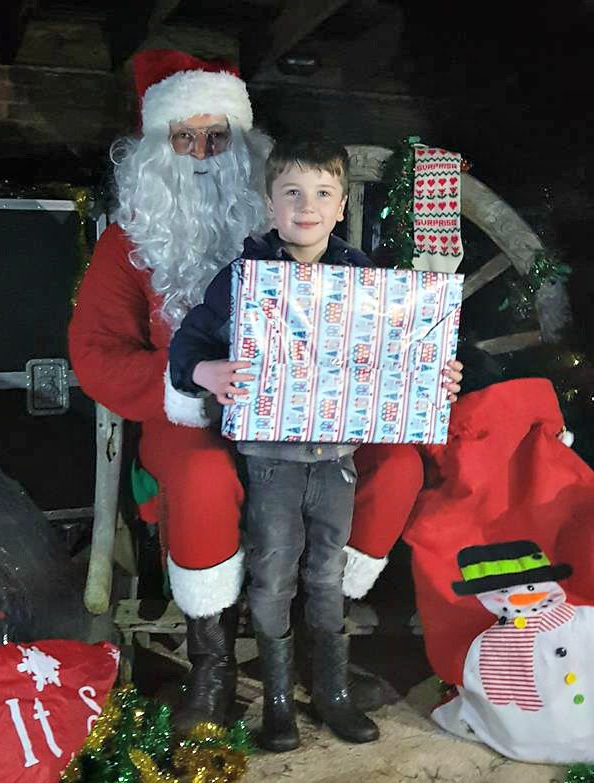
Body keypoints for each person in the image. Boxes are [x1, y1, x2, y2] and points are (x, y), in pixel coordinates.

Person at [70, 50, 463, 736]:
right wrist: (192, 380)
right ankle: (213, 665)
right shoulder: (126, 244)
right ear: (153, 149)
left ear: (244, 147)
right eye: (182, 137)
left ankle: (321, 645)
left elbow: (378, 335)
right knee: (198, 476)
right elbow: (95, 354)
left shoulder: (300, 233)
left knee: (396, 463)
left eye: (216, 137)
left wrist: (423, 374)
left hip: (319, 408)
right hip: (195, 411)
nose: (199, 153)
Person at [168, 138, 463, 750]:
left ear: (340, 204)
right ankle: (278, 700)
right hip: (270, 460)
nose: (307, 206)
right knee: (274, 574)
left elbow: (396, 355)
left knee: (327, 575)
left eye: (323, 193)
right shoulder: (245, 277)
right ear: (270, 204)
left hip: (337, 458)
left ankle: (329, 691)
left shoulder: (365, 279)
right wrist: (207, 373)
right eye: (292, 193)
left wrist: (433, 375)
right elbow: (186, 347)